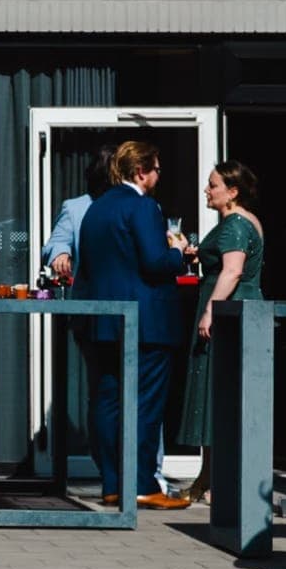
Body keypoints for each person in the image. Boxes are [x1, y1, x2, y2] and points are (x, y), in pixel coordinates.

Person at [71, 138, 188, 509]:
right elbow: (155, 262)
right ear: (141, 171)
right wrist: (178, 252)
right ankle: (139, 484)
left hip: (100, 321)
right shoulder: (143, 207)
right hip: (145, 321)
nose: (158, 175)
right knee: (144, 404)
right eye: (156, 168)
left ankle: (111, 482)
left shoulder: (97, 208)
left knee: (106, 400)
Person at [169, 160, 265, 493]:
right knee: (216, 392)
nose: (207, 191)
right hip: (233, 308)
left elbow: (232, 270)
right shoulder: (239, 222)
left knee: (218, 392)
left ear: (233, 192)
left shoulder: (236, 223)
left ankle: (217, 482)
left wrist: (211, 311)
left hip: (228, 312)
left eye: (213, 185)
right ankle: (208, 478)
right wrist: (200, 255)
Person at [44, 142, 116, 286]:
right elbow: (56, 242)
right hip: (89, 296)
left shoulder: (141, 206)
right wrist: (61, 253)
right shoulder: (75, 208)